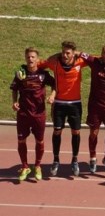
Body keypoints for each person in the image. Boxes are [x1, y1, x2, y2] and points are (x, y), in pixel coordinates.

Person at [37, 41, 88, 176]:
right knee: (57, 131)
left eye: (68, 53)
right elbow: (38, 64)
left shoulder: (80, 62)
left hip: (75, 104)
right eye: (63, 52)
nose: (65, 55)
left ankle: (75, 160)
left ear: (73, 53)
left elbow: (96, 59)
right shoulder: (55, 63)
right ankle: (56, 160)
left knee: (76, 132)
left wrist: (80, 53)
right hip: (59, 104)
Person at [11, 47, 56, 181]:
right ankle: (25, 166)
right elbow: (14, 89)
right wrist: (14, 102)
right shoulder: (20, 73)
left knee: (40, 140)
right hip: (23, 114)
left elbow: (55, 85)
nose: (30, 59)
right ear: (25, 58)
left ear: (37, 59)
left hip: (39, 113)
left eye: (32, 57)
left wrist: (53, 96)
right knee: (21, 140)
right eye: (28, 57)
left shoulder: (43, 74)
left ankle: (37, 165)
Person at [80, 44, 105, 174]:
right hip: (95, 107)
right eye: (104, 52)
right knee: (93, 133)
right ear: (101, 54)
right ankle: (93, 158)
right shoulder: (95, 62)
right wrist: (66, 52)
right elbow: (80, 53)